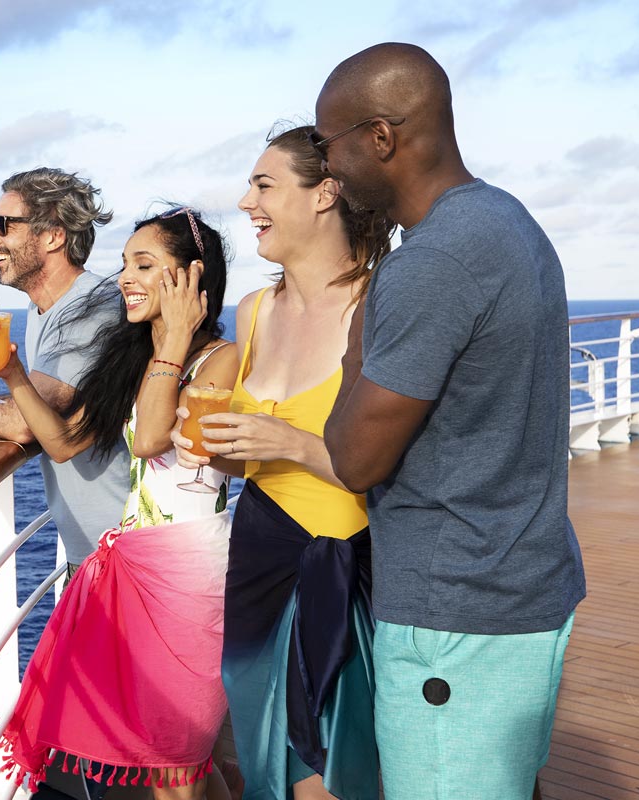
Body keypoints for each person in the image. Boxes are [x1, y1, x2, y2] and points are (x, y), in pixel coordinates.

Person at [314, 43, 586, 799]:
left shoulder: (431, 263)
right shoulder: (507, 219)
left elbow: (355, 458)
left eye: (326, 143)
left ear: (380, 137)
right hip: (523, 585)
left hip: (455, 619)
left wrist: (358, 337)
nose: (327, 168)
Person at [0, 206, 239, 800]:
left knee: (179, 764)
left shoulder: (215, 359)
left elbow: (150, 439)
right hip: (133, 567)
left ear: (192, 279)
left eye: (145, 265)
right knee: (173, 764)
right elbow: (66, 442)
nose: (125, 276)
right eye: (124, 263)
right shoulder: (134, 355)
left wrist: (172, 340)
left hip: (191, 571)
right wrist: (16, 371)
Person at [176, 126, 393, 800]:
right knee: (266, 760)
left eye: (264, 185)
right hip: (259, 557)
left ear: (325, 193)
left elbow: (402, 466)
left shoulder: (380, 304)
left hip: (344, 560)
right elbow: (254, 461)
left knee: (327, 772)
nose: (246, 203)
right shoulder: (254, 311)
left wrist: (288, 442)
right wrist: (226, 452)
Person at [0, 167, 130, 580]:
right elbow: (36, 407)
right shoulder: (42, 306)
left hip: (122, 555)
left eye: (3, 225)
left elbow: (27, 422)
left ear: (53, 235)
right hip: (97, 553)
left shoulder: (91, 310)